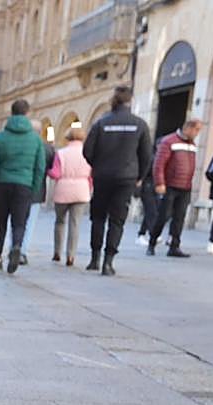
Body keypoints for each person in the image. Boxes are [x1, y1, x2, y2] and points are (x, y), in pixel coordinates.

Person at [83, 85, 152, 275]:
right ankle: (108, 262)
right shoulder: (139, 124)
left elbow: (87, 151)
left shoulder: (101, 123)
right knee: (117, 220)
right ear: (131, 101)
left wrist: (98, 165)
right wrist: (139, 176)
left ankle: (94, 259)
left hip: (103, 175)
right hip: (126, 177)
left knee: (98, 217)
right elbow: (146, 155)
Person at [0, 99, 45, 274]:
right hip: (24, 184)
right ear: (27, 113)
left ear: (11, 113)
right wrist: (34, 187)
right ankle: (17, 246)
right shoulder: (35, 140)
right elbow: (40, 166)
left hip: (4, 183)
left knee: (0, 222)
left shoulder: (0, 137)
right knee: (19, 222)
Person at [147, 118, 203, 257]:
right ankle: (152, 242)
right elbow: (159, 164)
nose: (197, 133)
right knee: (163, 216)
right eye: (196, 130)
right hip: (170, 185)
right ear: (188, 128)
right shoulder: (169, 141)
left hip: (185, 186)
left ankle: (174, 246)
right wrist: (160, 183)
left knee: (179, 217)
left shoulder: (192, 145)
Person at [48, 126, 93, 266]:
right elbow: (91, 175)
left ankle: (57, 252)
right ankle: (71, 255)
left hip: (63, 189)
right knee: (75, 224)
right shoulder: (88, 153)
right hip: (81, 190)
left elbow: (55, 174)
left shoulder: (61, 153)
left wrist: (48, 171)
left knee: (60, 221)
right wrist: (88, 187)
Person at [20, 126, 56, 266]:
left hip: (19, 186)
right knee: (30, 222)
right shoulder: (47, 148)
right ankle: (22, 251)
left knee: (17, 220)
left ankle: (14, 247)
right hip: (37, 189)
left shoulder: (21, 144)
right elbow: (51, 168)